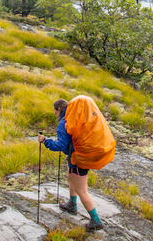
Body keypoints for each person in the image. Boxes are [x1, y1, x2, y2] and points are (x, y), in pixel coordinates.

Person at [38, 98, 104, 232]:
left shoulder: (64, 122)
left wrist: (45, 141)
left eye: (54, 111)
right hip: (80, 156)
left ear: (58, 110)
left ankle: (96, 220)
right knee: (70, 175)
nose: (54, 114)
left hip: (78, 159)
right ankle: (72, 204)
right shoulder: (76, 118)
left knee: (82, 191)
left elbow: (60, 145)